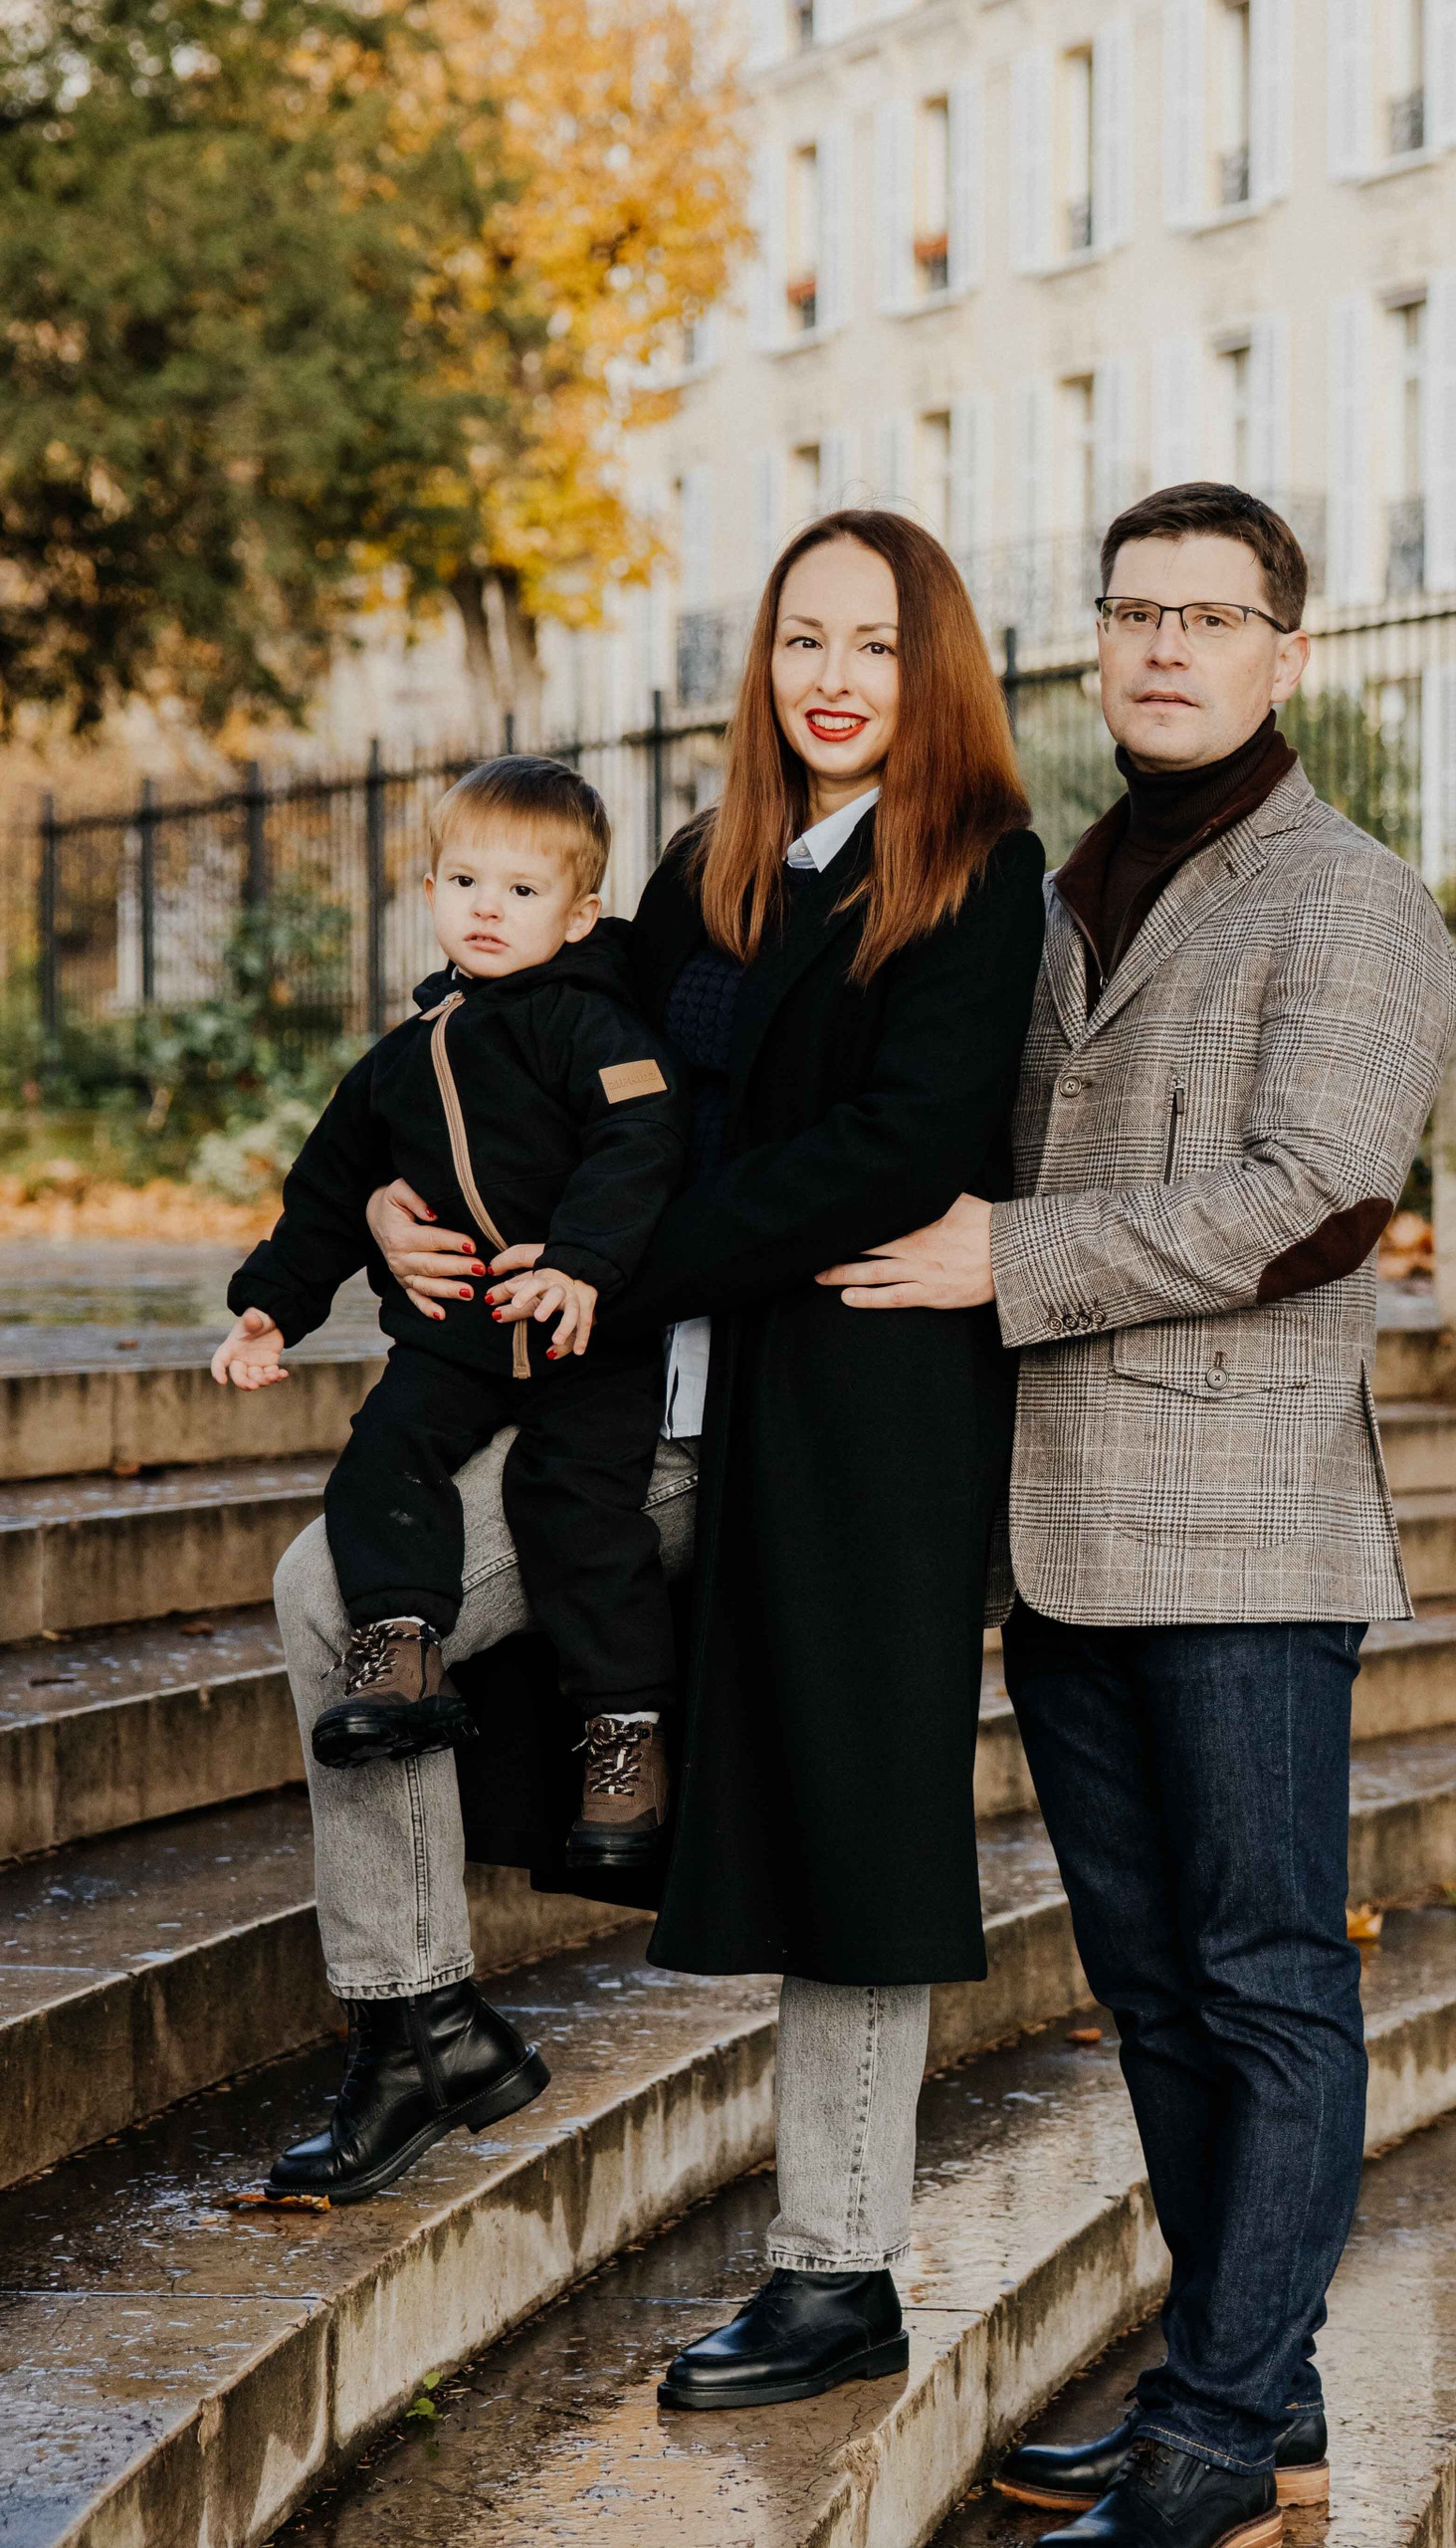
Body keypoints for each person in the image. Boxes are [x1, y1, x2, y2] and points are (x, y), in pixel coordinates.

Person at [262, 516, 1045, 2422]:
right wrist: (395, 1196)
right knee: (339, 1590)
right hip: (637, 1407)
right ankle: (417, 2019)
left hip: (846, 1418)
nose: (834, 677)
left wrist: (619, 1256)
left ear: (935, 666)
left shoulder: (978, 872)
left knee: (851, 1835)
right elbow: (517, 1013)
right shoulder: (713, 863)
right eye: (802, 639)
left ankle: (838, 2272)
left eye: (875, 643)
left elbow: (895, 1146)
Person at [826, 483, 1456, 2548]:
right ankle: (1254, 2399)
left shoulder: (1349, 898)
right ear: (1097, 646)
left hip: (1247, 1534)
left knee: (1267, 1981)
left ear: (1289, 652)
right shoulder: (1056, 888)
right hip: (1062, 1528)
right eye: (1135, 614)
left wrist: (1008, 1256)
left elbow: (1317, 1197)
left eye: (1211, 615)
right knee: (1160, 1989)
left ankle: (1215, 2432)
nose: (1167, 646)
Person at [214, 755, 690, 1897]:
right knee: (385, 1456)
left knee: (573, 1504)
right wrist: (270, 1305)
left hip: (586, 1339)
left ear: (579, 913)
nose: (487, 907)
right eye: (465, 881)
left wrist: (581, 1261)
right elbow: (329, 1191)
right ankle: (399, 1647)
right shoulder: (404, 1054)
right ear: (429, 891)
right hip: (457, 1338)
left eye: (522, 890)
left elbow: (641, 1145)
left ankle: (624, 1736)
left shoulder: (594, 1026)